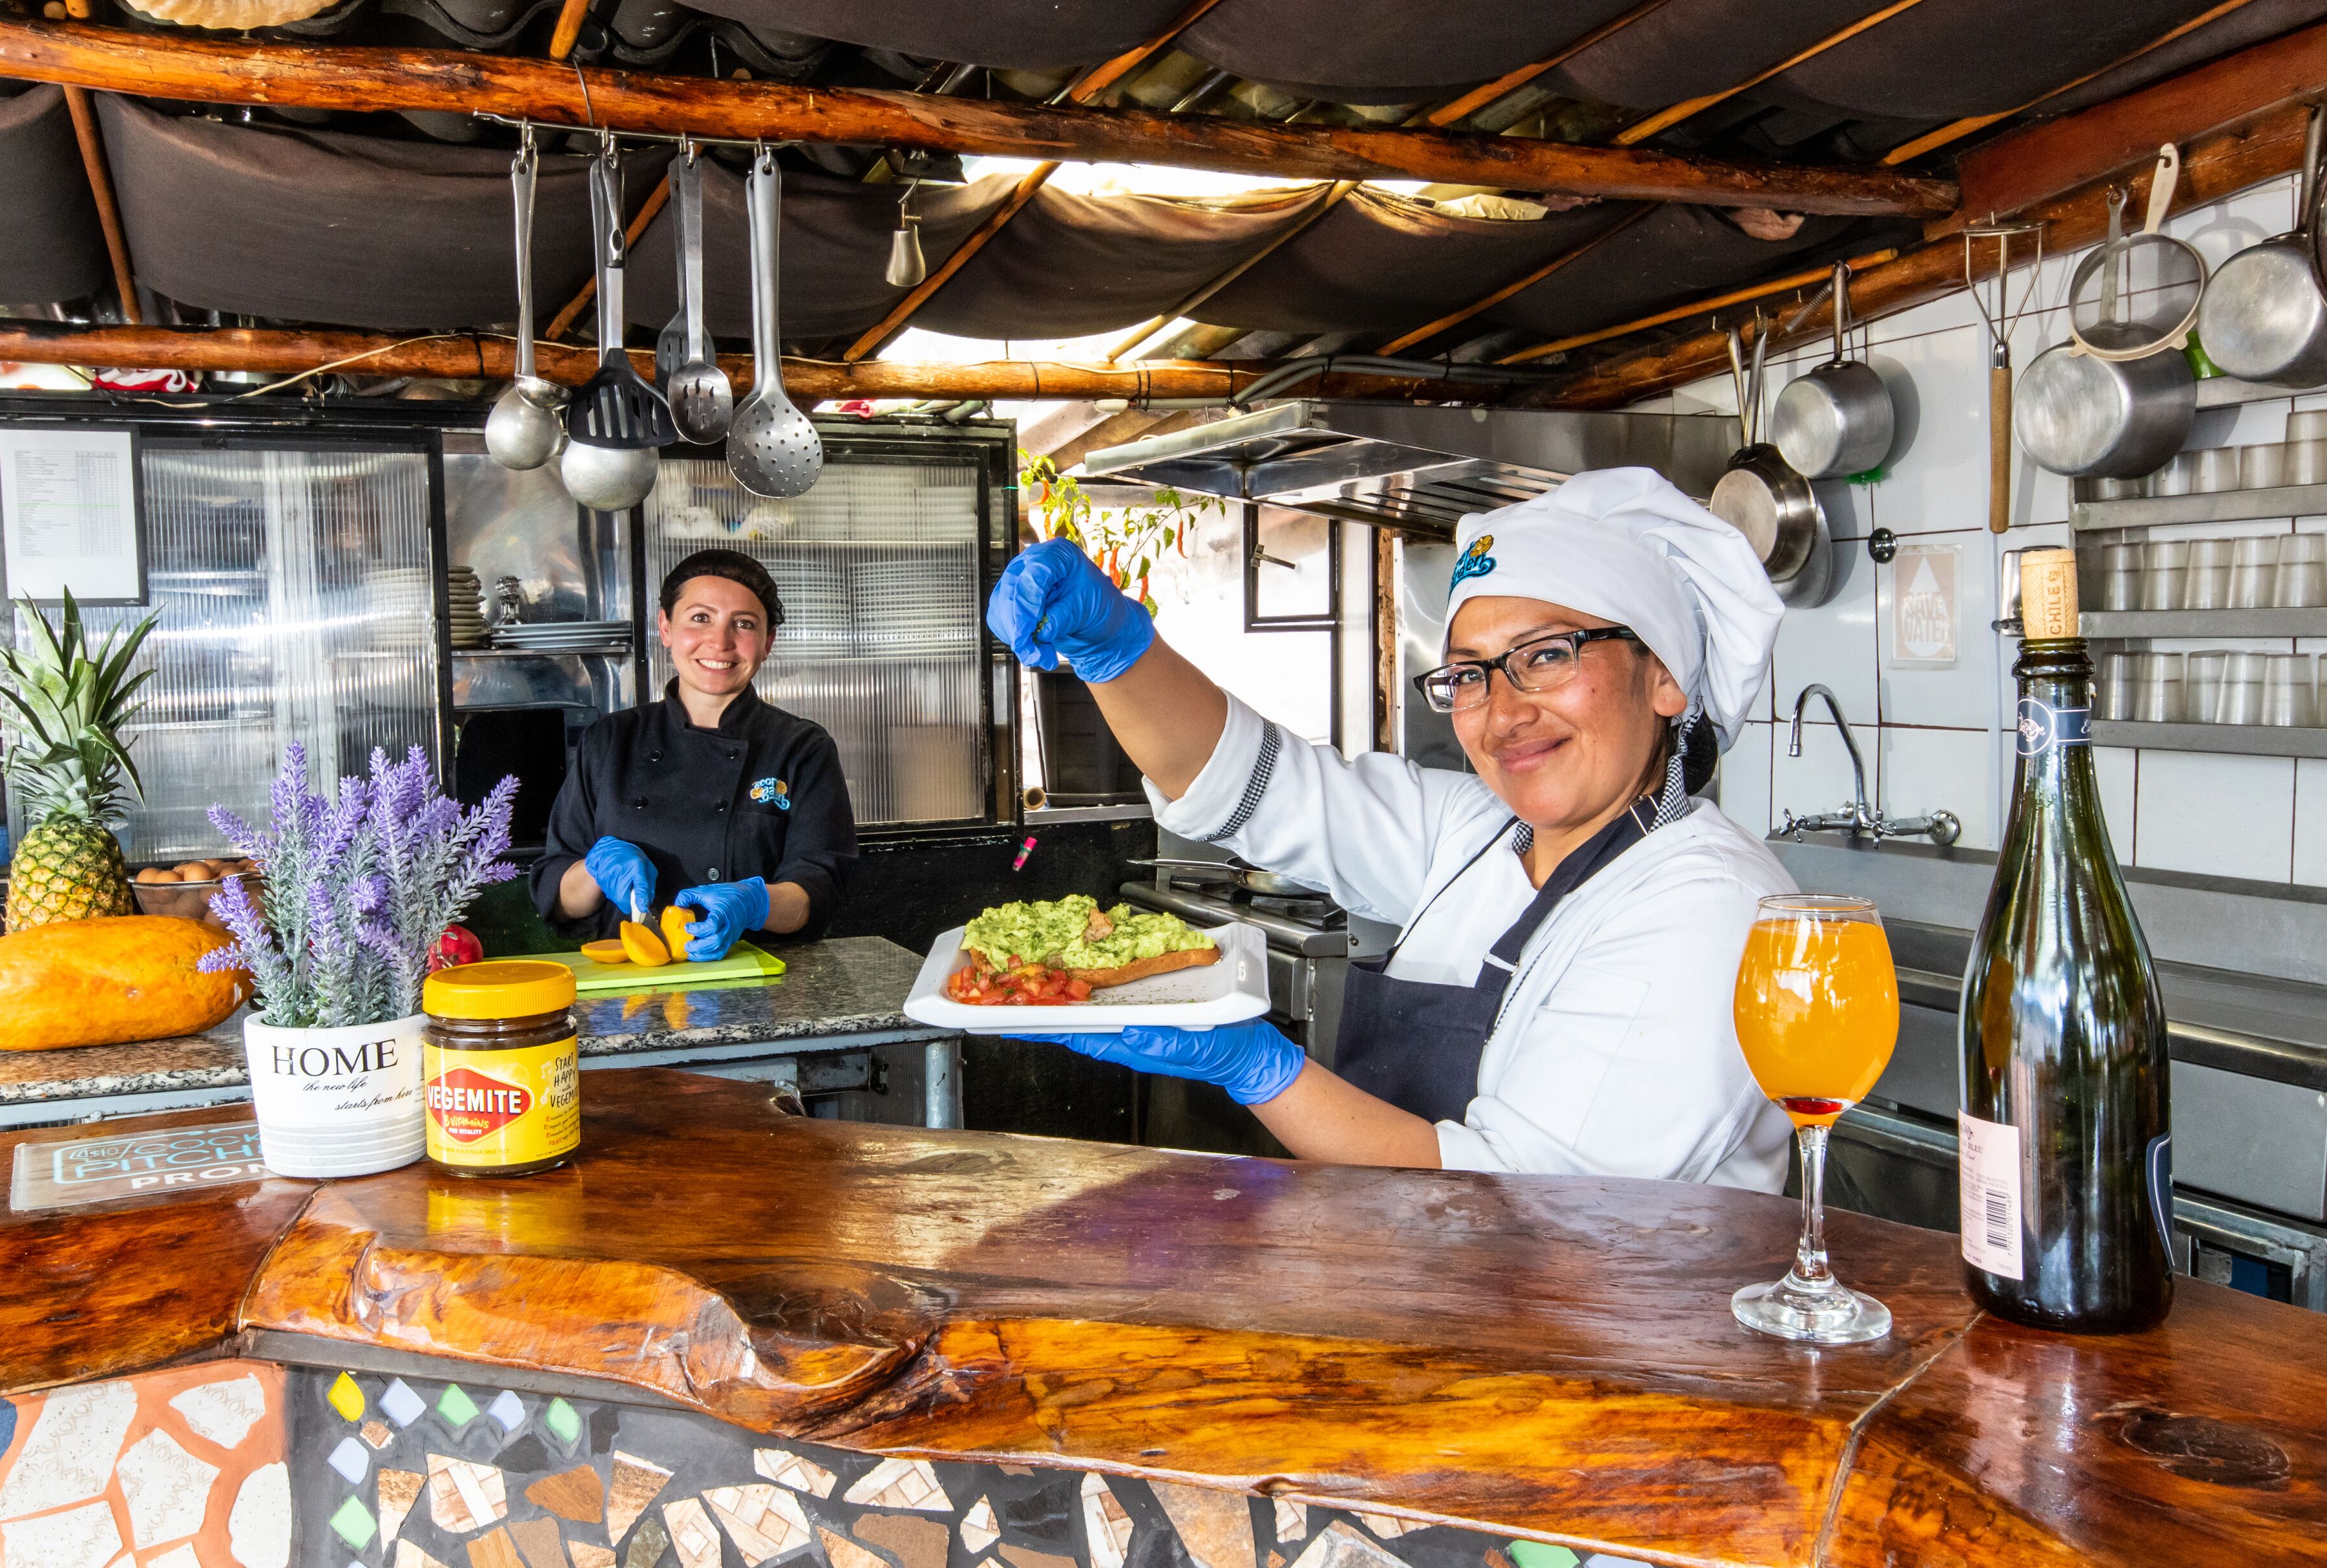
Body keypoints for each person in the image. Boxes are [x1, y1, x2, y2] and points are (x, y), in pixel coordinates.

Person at [989, 467, 1796, 1189]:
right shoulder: (1480, 831)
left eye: (1548, 655)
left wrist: (1255, 1066)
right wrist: (1116, 651)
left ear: (1665, 676)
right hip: (1424, 1283)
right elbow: (1250, 783)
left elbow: (1533, 1204)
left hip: (1583, 1309)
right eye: (1471, 674)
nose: (1504, 713)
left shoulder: (1712, 908)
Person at [535, 548, 856, 957]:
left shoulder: (802, 747)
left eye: (744, 624)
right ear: (666, 627)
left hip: (757, 978)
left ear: (767, 642)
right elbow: (558, 896)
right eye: (701, 618)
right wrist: (594, 871)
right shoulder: (610, 740)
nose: (720, 642)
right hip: (630, 977)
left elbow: (818, 891)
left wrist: (756, 904)